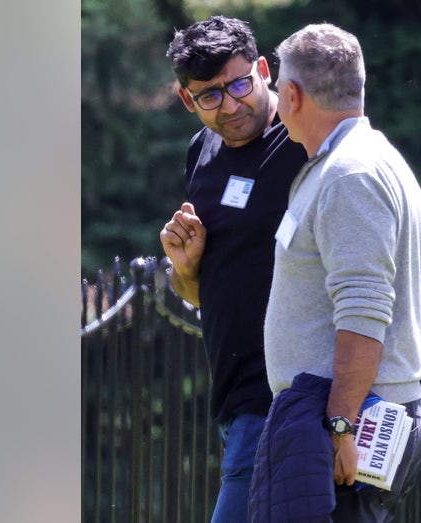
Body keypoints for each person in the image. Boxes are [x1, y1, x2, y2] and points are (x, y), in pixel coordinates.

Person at [249, 23, 421, 522]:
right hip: (344, 414)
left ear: (290, 94)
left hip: (351, 420)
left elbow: (363, 314)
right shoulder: (359, 162)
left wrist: (341, 428)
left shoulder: (350, 175)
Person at [159, 15, 308, 523]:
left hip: (287, 395)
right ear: (187, 99)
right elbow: (201, 292)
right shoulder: (200, 153)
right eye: (209, 96)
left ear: (264, 69)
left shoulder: (304, 143)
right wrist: (186, 267)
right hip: (230, 393)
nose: (230, 103)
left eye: (240, 83)